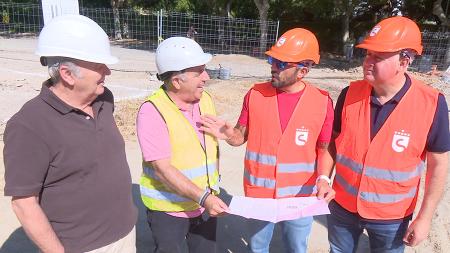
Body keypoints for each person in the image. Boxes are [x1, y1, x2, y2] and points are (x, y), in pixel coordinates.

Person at [3, 15, 138, 253]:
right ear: (67, 74)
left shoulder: (104, 99)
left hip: (126, 236)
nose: (107, 71)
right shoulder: (29, 126)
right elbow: (24, 204)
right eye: (99, 66)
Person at [200, 28, 335, 253]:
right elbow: (239, 137)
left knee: (296, 248)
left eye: (281, 64)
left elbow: (325, 148)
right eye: (272, 59)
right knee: (257, 247)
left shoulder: (322, 102)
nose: (273, 66)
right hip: (259, 195)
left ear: (303, 70)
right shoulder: (255, 95)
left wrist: (323, 179)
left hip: (300, 197)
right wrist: (228, 134)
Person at [328, 16, 450, 253]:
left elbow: (439, 166)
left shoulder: (432, 105)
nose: (367, 62)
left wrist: (424, 218)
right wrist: (324, 178)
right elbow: (332, 144)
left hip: (392, 218)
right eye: (367, 54)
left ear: (404, 62)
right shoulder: (348, 95)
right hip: (342, 207)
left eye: (378, 56)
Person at [136, 37, 229, 253]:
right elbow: (162, 168)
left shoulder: (204, 99)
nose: (206, 77)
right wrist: (204, 197)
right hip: (169, 210)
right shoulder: (152, 112)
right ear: (177, 81)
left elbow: (211, 148)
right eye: (199, 73)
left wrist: (209, 192)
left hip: (205, 204)